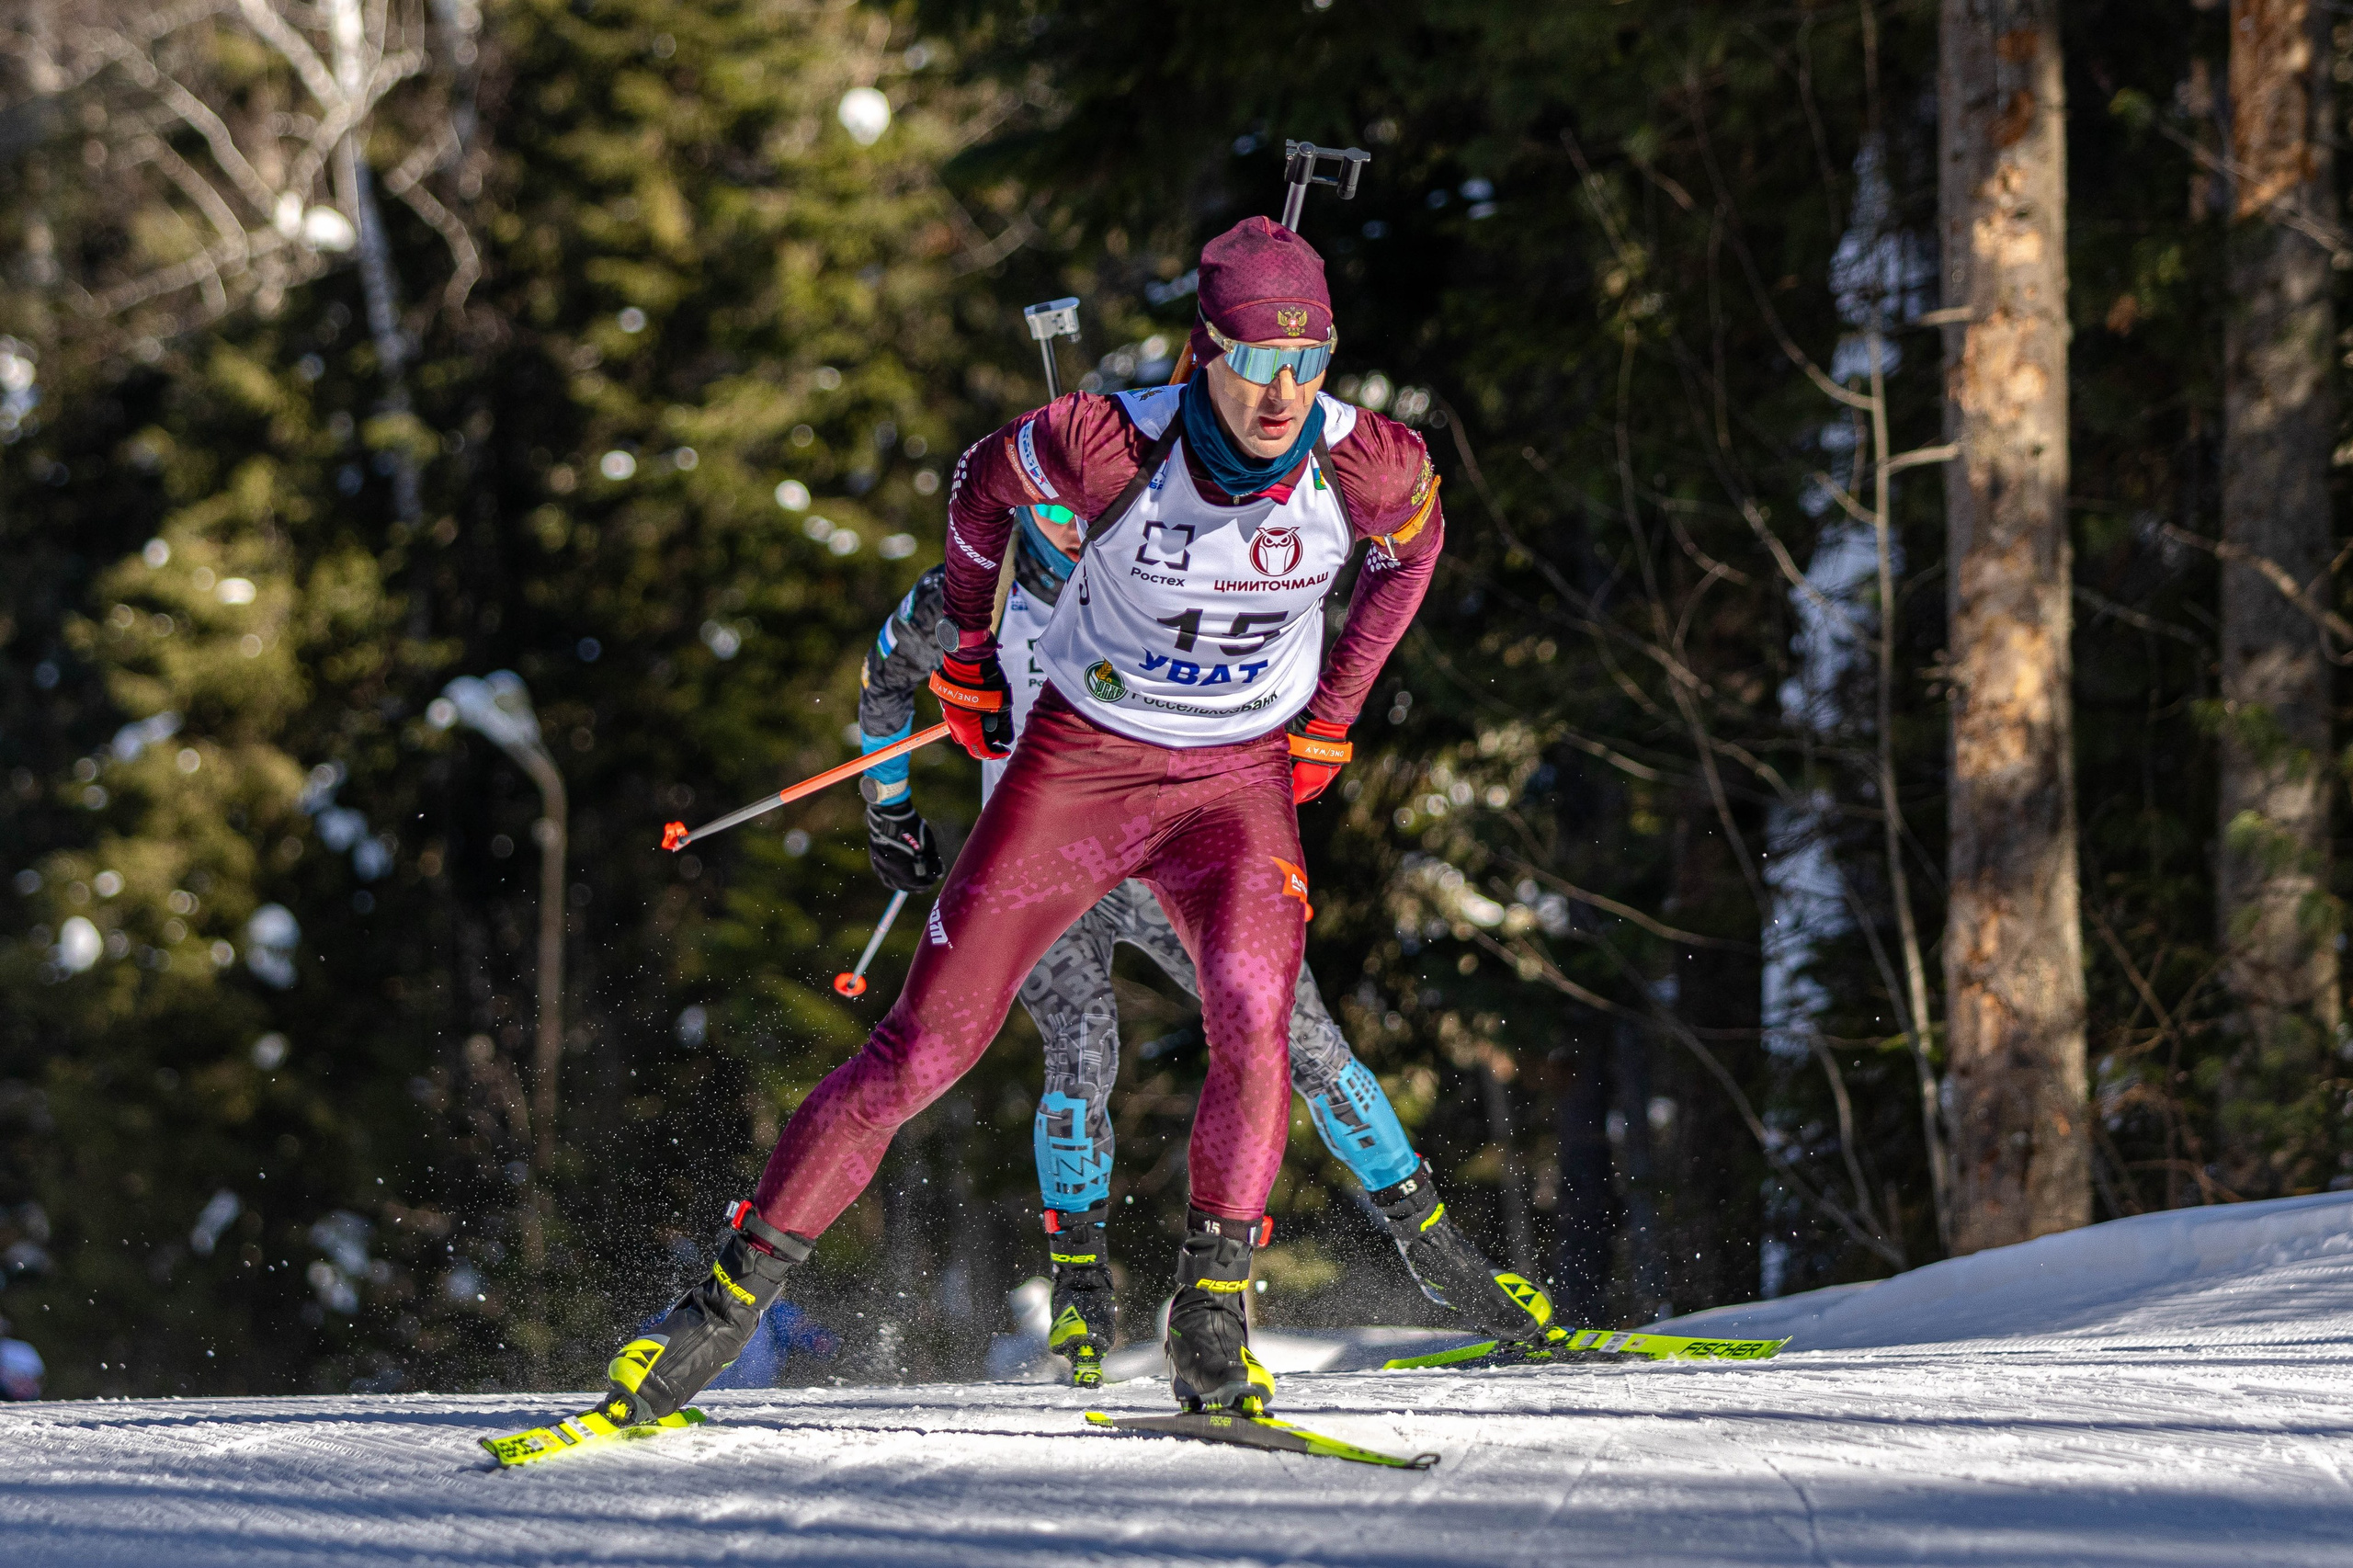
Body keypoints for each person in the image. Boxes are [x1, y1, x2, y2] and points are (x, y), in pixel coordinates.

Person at [597, 216, 1463, 1424]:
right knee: (925, 1048)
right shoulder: (1102, 442)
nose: (1284, 392)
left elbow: (1414, 549)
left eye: (1308, 359)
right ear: (1203, 349)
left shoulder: (1363, 459)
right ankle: (716, 1312)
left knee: (1255, 1017)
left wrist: (1335, 710)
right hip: (1080, 774)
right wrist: (967, 647)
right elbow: (976, 487)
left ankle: (1211, 1320)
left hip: (1233, 789)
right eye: (1258, 359)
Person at [853, 509, 1550, 1386]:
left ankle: (1436, 1249)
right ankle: (1081, 1287)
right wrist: (889, 808)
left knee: (1300, 1035)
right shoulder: (971, 596)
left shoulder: (1149, 565)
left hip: (1169, 859)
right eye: (1053, 509)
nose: (1073, 527)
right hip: (1047, 873)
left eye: (1087, 508)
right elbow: (884, 677)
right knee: (1082, 1050)